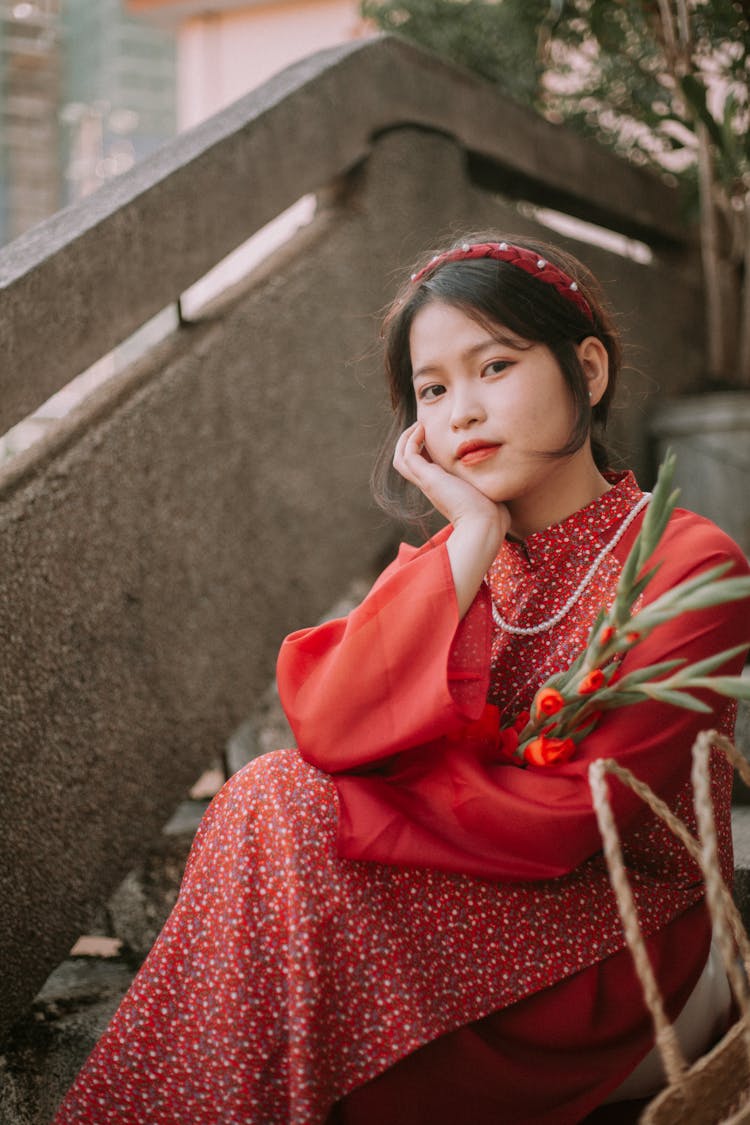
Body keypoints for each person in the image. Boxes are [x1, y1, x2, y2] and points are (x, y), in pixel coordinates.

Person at [53, 236, 750, 1125]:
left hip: (634, 954)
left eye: (494, 365)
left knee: (286, 819)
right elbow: (330, 730)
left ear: (589, 368)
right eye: (432, 389)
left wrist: (373, 802)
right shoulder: (456, 560)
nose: (462, 411)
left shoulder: (684, 563)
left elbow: (573, 823)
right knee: (274, 803)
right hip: (463, 917)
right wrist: (467, 537)